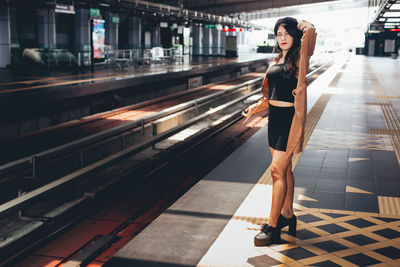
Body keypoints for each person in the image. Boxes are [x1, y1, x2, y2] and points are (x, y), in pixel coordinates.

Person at [241, 17, 317, 246]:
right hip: (273, 121)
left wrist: (301, 24)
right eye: (279, 34)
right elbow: (271, 93)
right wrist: (257, 106)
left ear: (295, 35)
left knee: (276, 172)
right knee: (285, 170)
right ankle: (287, 215)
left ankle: (272, 226)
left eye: (287, 33)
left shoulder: (301, 57)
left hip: (290, 121)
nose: (283, 38)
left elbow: (311, 32)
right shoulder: (277, 59)